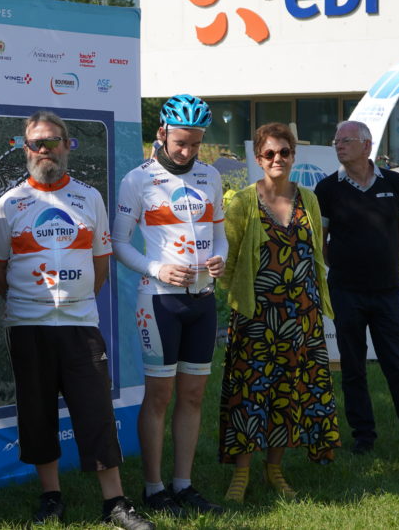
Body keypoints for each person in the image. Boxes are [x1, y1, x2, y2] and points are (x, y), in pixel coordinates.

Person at [0, 111, 154, 530]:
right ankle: (51, 497)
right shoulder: (9, 204)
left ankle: (115, 503)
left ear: (66, 146)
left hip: (80, 324)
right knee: (37, 412)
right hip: (28, 325)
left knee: (95, 411)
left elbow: (100, 264)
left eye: (52, 142)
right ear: (26, 149)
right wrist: (27, 300)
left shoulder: (89, 197)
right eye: (36, 143)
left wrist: (75, 299)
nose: (44, 150)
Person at [112, 94, 227, 517]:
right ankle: (153, 488)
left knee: (193, 395)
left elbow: (220, 235)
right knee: (160, 395)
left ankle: (183, 484)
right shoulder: (138, 179)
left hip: (203, 300)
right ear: (161, 132)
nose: (187, 151)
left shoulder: (210, 175)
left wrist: (221, 259)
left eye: (195, 143)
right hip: (160, 301)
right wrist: (156, 268)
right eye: (180, 142)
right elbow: (119, 242)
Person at [219, 122, 340, 503]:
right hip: (255, 318)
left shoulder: (309, 199)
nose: (277, 159)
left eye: (284, 152)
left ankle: (274, 468)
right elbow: (230, 261)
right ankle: (241, 473)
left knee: (289, 394)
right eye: (269, 153)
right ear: (258, 158)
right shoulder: (242, 202)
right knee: (249, 395)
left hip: (301, 317)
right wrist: (239, 295)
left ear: (293, 155)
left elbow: (316, 252)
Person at [315, 120, 399, 455]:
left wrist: (382, 260)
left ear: (366, 145)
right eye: (336, 141)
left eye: (346, 140)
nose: (338, 146)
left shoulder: (394, 183)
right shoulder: (327, 189)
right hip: (345, 292)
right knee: (353, 369)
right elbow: (321, 242)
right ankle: (363, 437)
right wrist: (346, 264)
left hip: (387, 292)